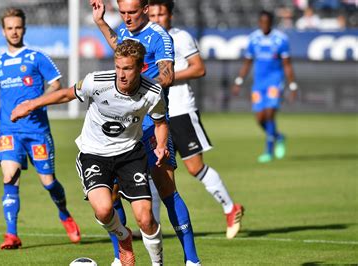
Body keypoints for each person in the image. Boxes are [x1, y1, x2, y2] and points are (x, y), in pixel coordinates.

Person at [11, 39, 166, 266]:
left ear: (141, 68)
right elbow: (65, 94)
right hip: (94, 153)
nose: (121, 74)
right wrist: (30, 105)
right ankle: (123, 239)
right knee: (103, 211)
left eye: (128, 68)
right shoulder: (97, 81)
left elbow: (161, 122)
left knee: (145, 218)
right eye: (118, 67)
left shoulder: (153, 92)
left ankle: (157, 264)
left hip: (130, 154)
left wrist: (161, 145)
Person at [91, 0, 201, 265]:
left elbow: (168, 76)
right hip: (125, 126)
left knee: (166, 190)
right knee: (111, 190)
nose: (127, 17)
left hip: (153, 125)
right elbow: (120, 47)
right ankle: (121, 257)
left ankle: (192, 260)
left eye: (132, 12)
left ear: (145, 9)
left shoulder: (159, 37)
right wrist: (101, 22)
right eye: (123, 12)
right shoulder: (127, 31)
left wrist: (140, 84)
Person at [0, 8, 81, 249]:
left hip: (37, 130)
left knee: (48, 182)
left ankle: (64, 214)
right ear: (3, 31)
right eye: (10, 28)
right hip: (9, 130)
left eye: (18, 27)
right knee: (9, 177)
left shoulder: (36, 57)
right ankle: (12, 235)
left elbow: (56, 85)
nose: (14, 32)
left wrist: (35, 103)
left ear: (24, 29)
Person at [149, 0, 244, 240]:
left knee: (194, 168)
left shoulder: (180, 37)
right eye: (153, 14)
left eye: (162, 13)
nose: (157, 18)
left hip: (181, 110)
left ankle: (230, 208)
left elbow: (199, 69)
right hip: (156, 113)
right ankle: (153, 227)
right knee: (156, 170)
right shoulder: (147, 39)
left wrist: (167, 78)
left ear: (170, 15)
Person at [232, 10, 298, 163]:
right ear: (259, 22)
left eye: (267, 22)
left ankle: (268, 151)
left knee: (269, 114)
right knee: (260, 119)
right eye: (262, 22)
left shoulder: (281, 40)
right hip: (258, 85)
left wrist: (293, 85)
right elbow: (247, 63)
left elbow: (287, 65)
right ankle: (279, 137)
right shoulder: (254, 39)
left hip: (274, 82)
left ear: (271, 23)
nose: (264, 25)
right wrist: (238, 81)